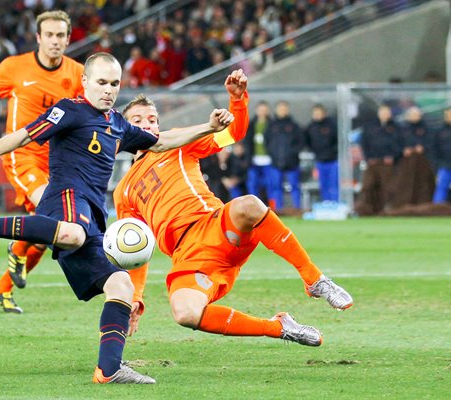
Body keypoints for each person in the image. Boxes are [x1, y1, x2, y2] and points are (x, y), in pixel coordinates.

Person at [0, 52, 234, 384]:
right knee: (72, 233)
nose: (108, 90)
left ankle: (109, 369)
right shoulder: (70, 110)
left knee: (121, 285)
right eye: (101, 82)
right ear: (85, 81)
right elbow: (25, 135)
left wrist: (208, 127)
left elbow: (160, 143)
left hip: (92, 215)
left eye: (115, 83)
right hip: (64, 197)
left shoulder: (117, 123)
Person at [113, 70, 353, 347]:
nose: (148, 125)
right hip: (188, 258)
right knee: (185, 313)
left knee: (249, 204)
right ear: (124, 129)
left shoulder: (177, 142)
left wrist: (236, 100)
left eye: (153, 120)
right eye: (138, 121)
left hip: (214, 226)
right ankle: (279, 328)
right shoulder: (124, 191)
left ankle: (314, 279)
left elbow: (232, 134)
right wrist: (136, 299)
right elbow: (136, 253)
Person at [0, 10, 85, 313]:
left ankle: (3, 286)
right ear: (38, 37)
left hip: (58, 162)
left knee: (56, 230)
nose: (55, 41)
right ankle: (18, 249)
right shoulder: (14, 67)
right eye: (49, 35)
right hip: (22, 157)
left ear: (68, 38)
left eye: (60, 35)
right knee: (50, 214)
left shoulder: (76, 74)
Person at [355, 105, 402, 216]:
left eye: (387, 112)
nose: (385, 114)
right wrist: (369, 157)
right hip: (372, 162)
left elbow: (400, 144)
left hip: (389, 163)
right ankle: (364, 208)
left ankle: (388, 209)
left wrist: (392, 156)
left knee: (388, 187)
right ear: (379, 113)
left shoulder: (396, 127)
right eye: (383, 112)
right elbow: (364, 144)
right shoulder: (369, 126)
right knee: (368, 185)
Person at [266, 101, 303, 210]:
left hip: (292, 163)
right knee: (275, 188)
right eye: (280, 108)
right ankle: (276, 210)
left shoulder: (294, 126)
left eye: (284, 108)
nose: (282, 111)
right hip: (275, 163)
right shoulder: (271, 126)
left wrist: (292, 153)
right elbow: (267, 142)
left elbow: (300, 142)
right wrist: (273, 153)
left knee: (295, 187)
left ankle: (297, 209)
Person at [304, 104, 339, 202]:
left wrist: (333, 151)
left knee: (334, 184)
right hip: (319, 160)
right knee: (323, 185)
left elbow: (338, 140)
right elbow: (307, 141)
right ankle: (326, 204)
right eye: (315, 113)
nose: (317, 115)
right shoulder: (310, 127)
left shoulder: (332, 125)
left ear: (324, 113)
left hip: (333, 160)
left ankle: (335, 204)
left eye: (319, 113)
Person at [243, 101, 274, 207]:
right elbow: (246, 142)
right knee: (253, 184)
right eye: (261, 110)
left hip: (269, 160)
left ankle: (273, 208)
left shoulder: (272, 125)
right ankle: (255, 208)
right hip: (254, 160)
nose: (262, 112)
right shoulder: (251, 125)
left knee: (271, 185)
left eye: (264, 110)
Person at [433, 107, 451, 203]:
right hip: (444, 165)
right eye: (448, 115)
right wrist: (436, 166)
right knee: (441, 188)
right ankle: (437, 210)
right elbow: (435, 150)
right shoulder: (439, 131)